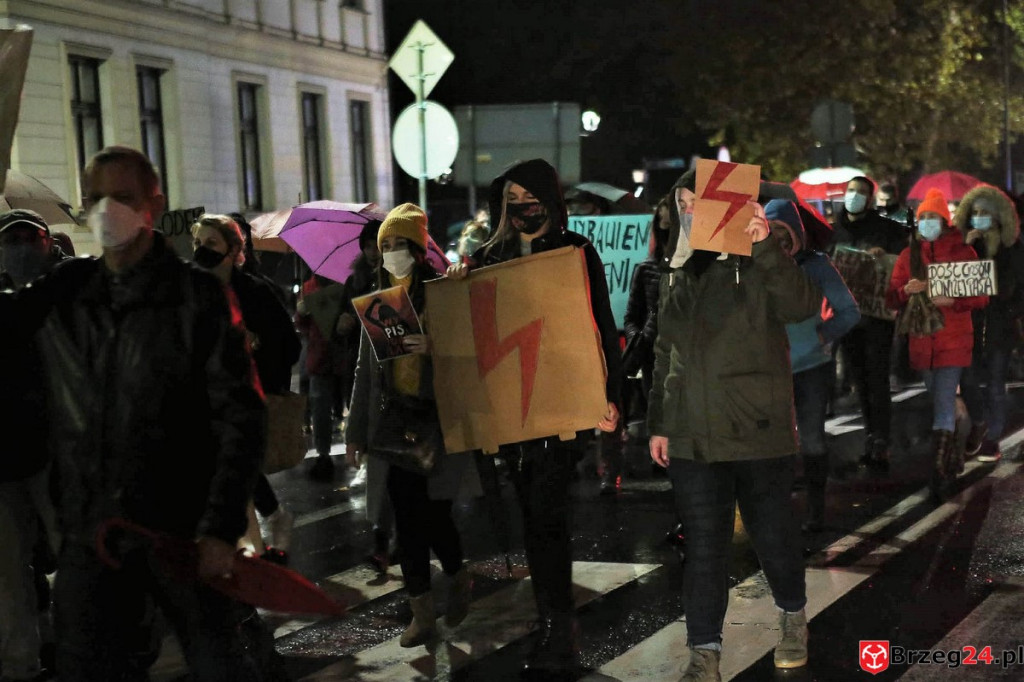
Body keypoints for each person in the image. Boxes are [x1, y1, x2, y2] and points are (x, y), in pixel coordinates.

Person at [0, 147, 269, 681]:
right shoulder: (70, 290)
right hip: (94, 534)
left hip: (180, 532)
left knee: (216, 661)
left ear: (153, 204)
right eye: (96, 197)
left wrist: (220, 529)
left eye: (122, 197)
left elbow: (241, 416)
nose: (107, 210)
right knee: (87, 666)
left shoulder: (196, 297)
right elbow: (9, 322)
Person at [448, 158, 622, 674]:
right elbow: (463, 328)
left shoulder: (577, 251)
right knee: (531, 516)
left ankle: (558, 629)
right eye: (513, 199)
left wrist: (610, 395)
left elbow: (601, 323)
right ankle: (551, 620)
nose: (522, 207)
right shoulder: (487, 257)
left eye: (531, 198)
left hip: (562, 402)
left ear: (550, 200)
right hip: (510, 410)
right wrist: (457, 282)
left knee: (547, 514)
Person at [649, 170, 822, 681]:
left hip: (756, 429)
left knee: (773, 535)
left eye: (696, 201)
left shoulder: (757, 254)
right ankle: (704, 653)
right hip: (692, 433)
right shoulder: (678, 266)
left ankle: (792, 616)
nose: (688, 211)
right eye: (681, 203)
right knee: (704, 548)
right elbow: (666, 348)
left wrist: (764, 246)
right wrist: (659, 421)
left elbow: (802, 305)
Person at [344, 203, 475, 649]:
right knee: (406, 523)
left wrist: (435, 346)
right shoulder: (379, 301)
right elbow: (364, 371)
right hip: (394, 424)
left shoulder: (441, 292)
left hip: (437, 421)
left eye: (401, 244)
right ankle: (421, 614)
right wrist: (355, 433)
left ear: (419, 251)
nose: (393, 253)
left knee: (436, 517)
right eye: (386, 245)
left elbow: (471, 352)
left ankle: (458, 577)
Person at [191, 213, 301, 559]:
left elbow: (289, 346)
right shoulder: (192, 292)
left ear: (232, 250)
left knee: (235, 465)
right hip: (206, 397)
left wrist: (257, 344)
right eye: (198, 243)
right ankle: (257, 537)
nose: (202, 250)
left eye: (211, 243)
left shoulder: (255, 292)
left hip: (247, 396)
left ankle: (258, 539)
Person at [765, 199, 860, 532]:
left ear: (796, 233)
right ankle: (777, 514)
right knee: (773, 444)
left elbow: (849, 312)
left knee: (812, 439)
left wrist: (821, 336)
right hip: (770, 369)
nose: (777, 239)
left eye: (783, 232)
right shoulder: (753, 266)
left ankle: (815, 511)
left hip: (811, 369)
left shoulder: (816, 266)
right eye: (771, 231)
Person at [887, 188, 988, 496]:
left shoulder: (963, 253)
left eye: (933, 217)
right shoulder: (908, 256)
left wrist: (953, 301)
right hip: (922, 342)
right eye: (923, 217)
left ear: (944, 221)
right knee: (941, 403)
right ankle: (954, 455)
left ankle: (939, 474)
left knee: (943, 406)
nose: (927, 222)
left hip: (954, 340)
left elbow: (981, 297)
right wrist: (906, 290)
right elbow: (891, 297)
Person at [0, 209, 65, 682]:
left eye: (30, 238)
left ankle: (85, 649)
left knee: (77, 559)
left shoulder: (67, 294)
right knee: (8, 573)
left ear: (47, 244)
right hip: (6, 459)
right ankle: (21, 662)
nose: (22, 248)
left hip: (56, 453)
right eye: (12, 240)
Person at [830, 176, 907, 471]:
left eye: (861, 192)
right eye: (851, 191)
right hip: (848, 318)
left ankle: (881, 440)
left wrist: (882, 256)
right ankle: (870, 437)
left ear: (870, 198)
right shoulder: (834, 231)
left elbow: (899, 261)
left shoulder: (885, 229)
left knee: (877, 379)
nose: (854, 196)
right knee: (860, 381)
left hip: (876, 319)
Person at [337, 220, 396, 569]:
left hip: (408, 401)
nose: (376, 251)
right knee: (382, 475)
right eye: (373, 245)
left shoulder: (416, 289)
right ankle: (381, 539)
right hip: (375, 387)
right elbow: (363, 361)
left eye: (384, 244)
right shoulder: (359, 282)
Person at [956, 185, 1024, 463]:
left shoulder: (1012, 248)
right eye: (975, 212)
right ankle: (980, 423)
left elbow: (1019, 288)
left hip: (999, 326)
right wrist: (967, 248)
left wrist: (1009, 310)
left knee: (996, 384)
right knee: (968, 380)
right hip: (968, 326)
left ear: (997, 216)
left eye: (985, 213)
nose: (979, 217)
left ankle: (991, 440)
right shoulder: (965, 245)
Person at [296, 273, 347, 480]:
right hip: (320, 356)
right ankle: (323, 454)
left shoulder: (348, 283)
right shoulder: (308, 288)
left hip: (345, 355)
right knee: (320, 408)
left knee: (353, 401)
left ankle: (361, 451)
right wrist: (302, 313)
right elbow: (302, 326)